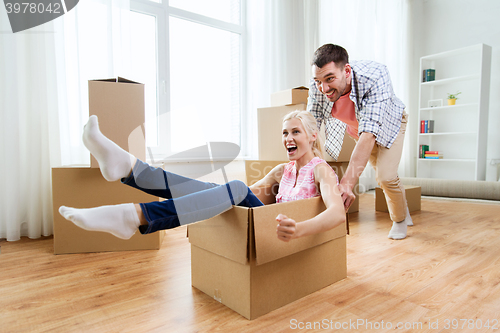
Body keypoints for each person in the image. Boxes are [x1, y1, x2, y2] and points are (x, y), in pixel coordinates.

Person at [59, 111, 345, 242]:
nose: (288, 138)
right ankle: (130, 171)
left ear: (312, 136)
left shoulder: (320, 169)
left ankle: (134, 194)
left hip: (281, 233)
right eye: (285, 132)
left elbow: (337, 215)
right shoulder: (283, 170)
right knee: (220, 189)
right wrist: (219, 194)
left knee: (231, 188)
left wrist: (300, 230)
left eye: (295, 132)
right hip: (265, 222)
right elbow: (246, 192)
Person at [307, 43, 413, 240]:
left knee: (385, 176)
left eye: (330, 79)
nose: (324, 88)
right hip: (358, 128)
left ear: (346, 71)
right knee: (384, 176)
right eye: (319, 81)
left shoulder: (375, 76)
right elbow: (311, 126)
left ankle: (399, 219)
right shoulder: (318, 85)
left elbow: (369, 133)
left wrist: (346, 184)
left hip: (391, 124)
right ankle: (402, 207)